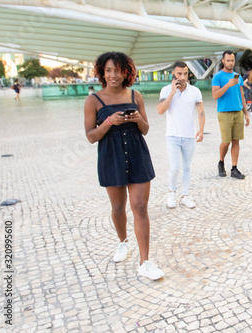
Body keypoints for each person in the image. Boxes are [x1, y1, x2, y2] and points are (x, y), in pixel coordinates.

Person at [84, 51, 164, 281]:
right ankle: (123, 242)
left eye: (117, 70)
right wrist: (109, 122)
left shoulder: (135, 95)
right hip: (111, 157)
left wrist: (137, 118)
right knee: (118, 207)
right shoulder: (93, 100)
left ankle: (145, 262)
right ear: (101, 72)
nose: (113, 75)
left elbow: (146, 129)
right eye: (108, 70)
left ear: (126, 72)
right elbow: (91, 136)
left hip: (137, 155)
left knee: (139, 207)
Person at [157, 61, 205, 209]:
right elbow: (160, 110)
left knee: (187, 167)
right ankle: (171, 193)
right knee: (175, 167)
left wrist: (201, 130)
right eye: (179, 74)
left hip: (189, 136)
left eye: (185, 73)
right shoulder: (166, 90)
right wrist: (172, 92)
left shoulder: (195, 91)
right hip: (172, 135)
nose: (182, 77)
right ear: (173, 74)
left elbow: (201, 111)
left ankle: (185, 195)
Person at [212, 51, 250, 179]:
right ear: (223, 61)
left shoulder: (237, 77)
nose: (231, 63)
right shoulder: (217, 77)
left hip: (238, 112)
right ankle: (221, 162)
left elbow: (242, 96)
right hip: (224, 113)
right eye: (228, 60)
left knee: (236, 141)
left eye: (232, 60)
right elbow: (215, 95)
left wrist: (246, 113)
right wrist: (227, 85)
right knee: (226, 142)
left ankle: (234, 168)